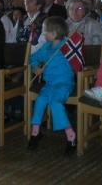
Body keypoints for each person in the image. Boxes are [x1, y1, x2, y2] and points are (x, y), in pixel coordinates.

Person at [27, 16, 76, 154]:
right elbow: (33, 58)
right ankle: (35, 132)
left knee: (55, 103)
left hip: (64, 84)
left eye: (45, 31)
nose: (43, 33)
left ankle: (70, 135)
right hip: (49, 84)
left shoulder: (67, 46)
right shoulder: (46, 47)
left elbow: (77, 58)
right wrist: (35, 67)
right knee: (40, 100)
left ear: (54, 33)